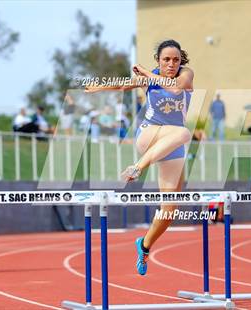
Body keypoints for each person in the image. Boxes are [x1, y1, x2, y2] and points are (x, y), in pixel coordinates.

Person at [86, 39, 193, 276]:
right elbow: (125, 85)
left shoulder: (186, 74)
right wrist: (99, 87)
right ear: (158, 60)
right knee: (185, 133)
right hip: (149, 135)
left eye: (175, 59)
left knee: (169, 211)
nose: (171, 64)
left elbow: (175, 89)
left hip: (171, 143)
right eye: (166, 59)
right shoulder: (150, 76)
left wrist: (146, 72)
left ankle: (144, 245)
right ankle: (137, 167)